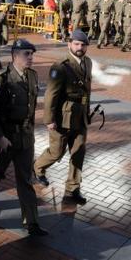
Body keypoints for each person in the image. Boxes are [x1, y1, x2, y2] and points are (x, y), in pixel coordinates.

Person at [0, 38, 48, 236]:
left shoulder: (32, 76)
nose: (30, 57)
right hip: (5, 136)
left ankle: (31, 222)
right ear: (15, 56)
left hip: (25, 137)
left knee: (25, 179)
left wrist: (30, 131)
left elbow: (30, 109)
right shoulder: (2, 78)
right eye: (27, 54)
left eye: (32, 54)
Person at [34, 29, 91, 204]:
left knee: (78, 152)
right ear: (69, 44)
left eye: (83, 44)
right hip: (62, 116)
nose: (80, 47)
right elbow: (51, 94)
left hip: (80, 115)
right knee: (56, 152)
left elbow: (87, 90)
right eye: (76, 44)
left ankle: (73, 188)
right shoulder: (60, 66)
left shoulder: (87, 62)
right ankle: (37, 168)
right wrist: (49, 119)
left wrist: (87, 112)